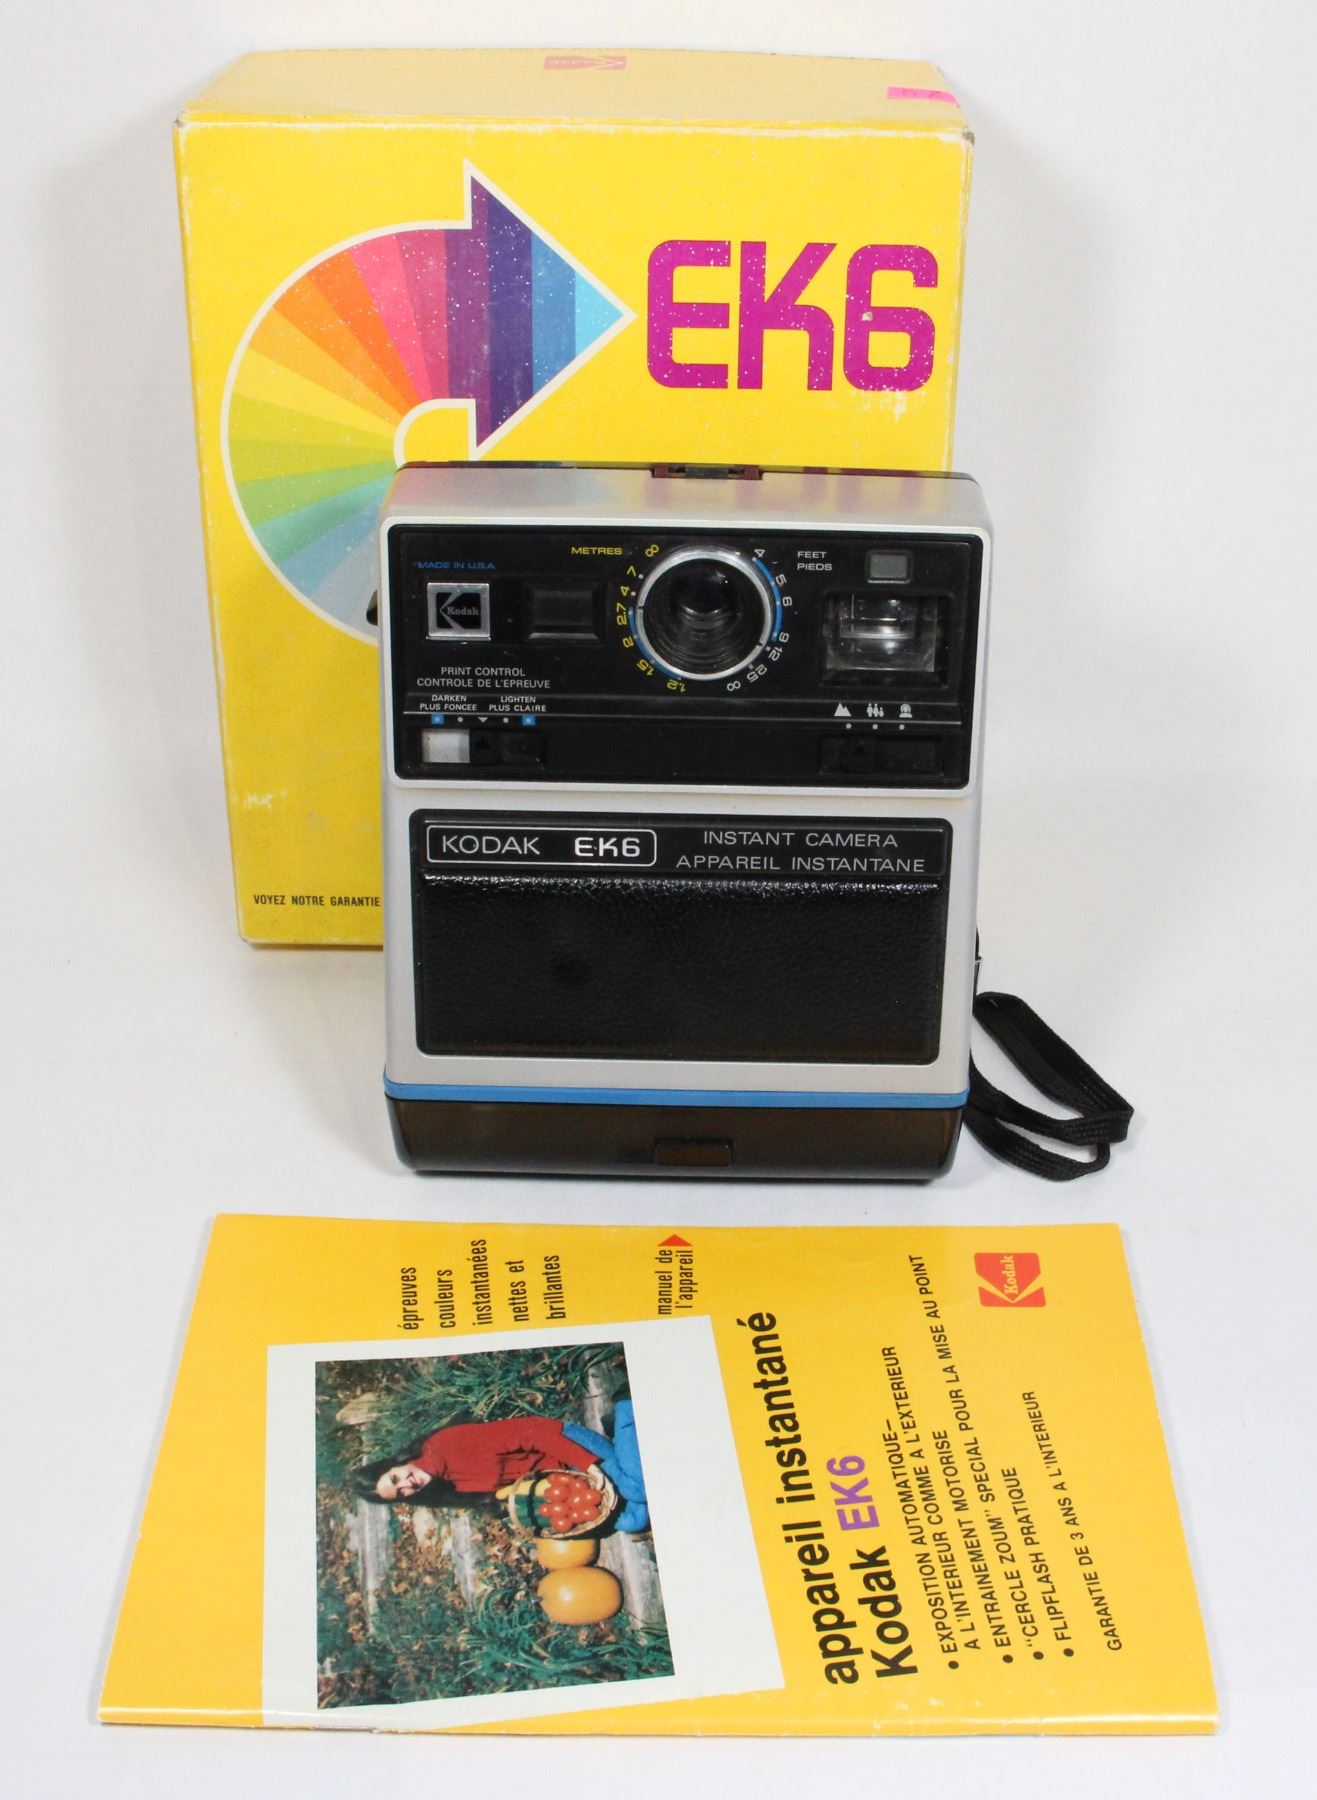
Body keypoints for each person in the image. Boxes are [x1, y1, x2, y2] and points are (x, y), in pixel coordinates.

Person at [353, 1400, 649, 1532]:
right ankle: (626, 1446)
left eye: (396, 1479)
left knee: (636, 1488)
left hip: (564, 1443)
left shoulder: (445, 1445)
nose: (407, 1485)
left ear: (394, 1464)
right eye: (401, 1493)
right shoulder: (444, 1490)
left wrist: (589, 1466)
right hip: (564, 1478)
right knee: (631, 1520)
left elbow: (534, 1432)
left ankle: (626, 1410)